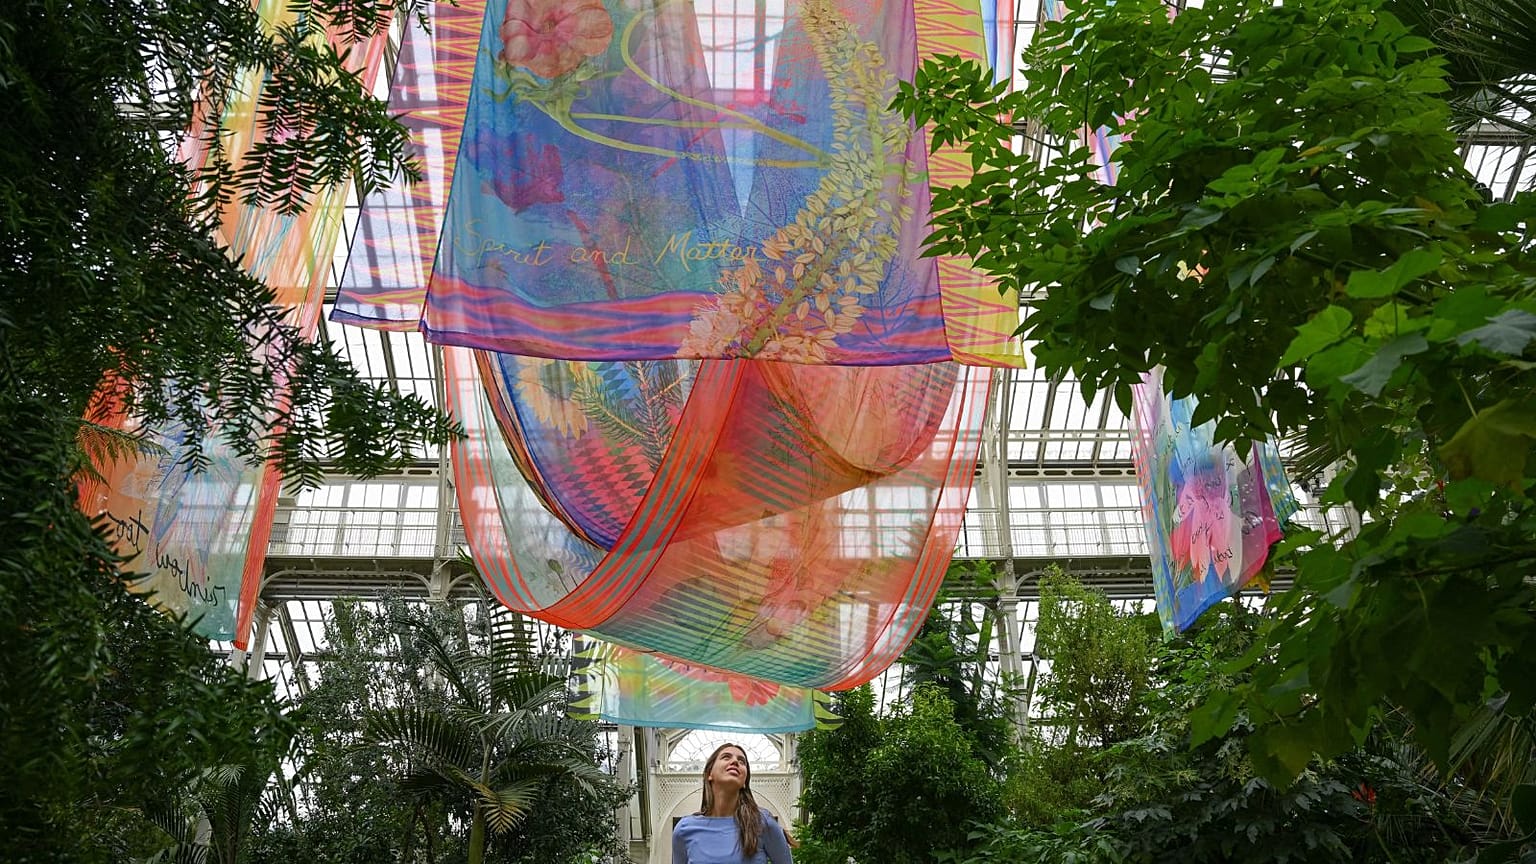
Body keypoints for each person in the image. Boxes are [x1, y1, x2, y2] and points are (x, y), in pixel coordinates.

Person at [672, 743, 794, 864]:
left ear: (744, 782)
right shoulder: (684, 829)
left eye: (742, 761)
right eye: (726, 757)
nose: (735, 761)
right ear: (710, 774)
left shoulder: (762, 822)